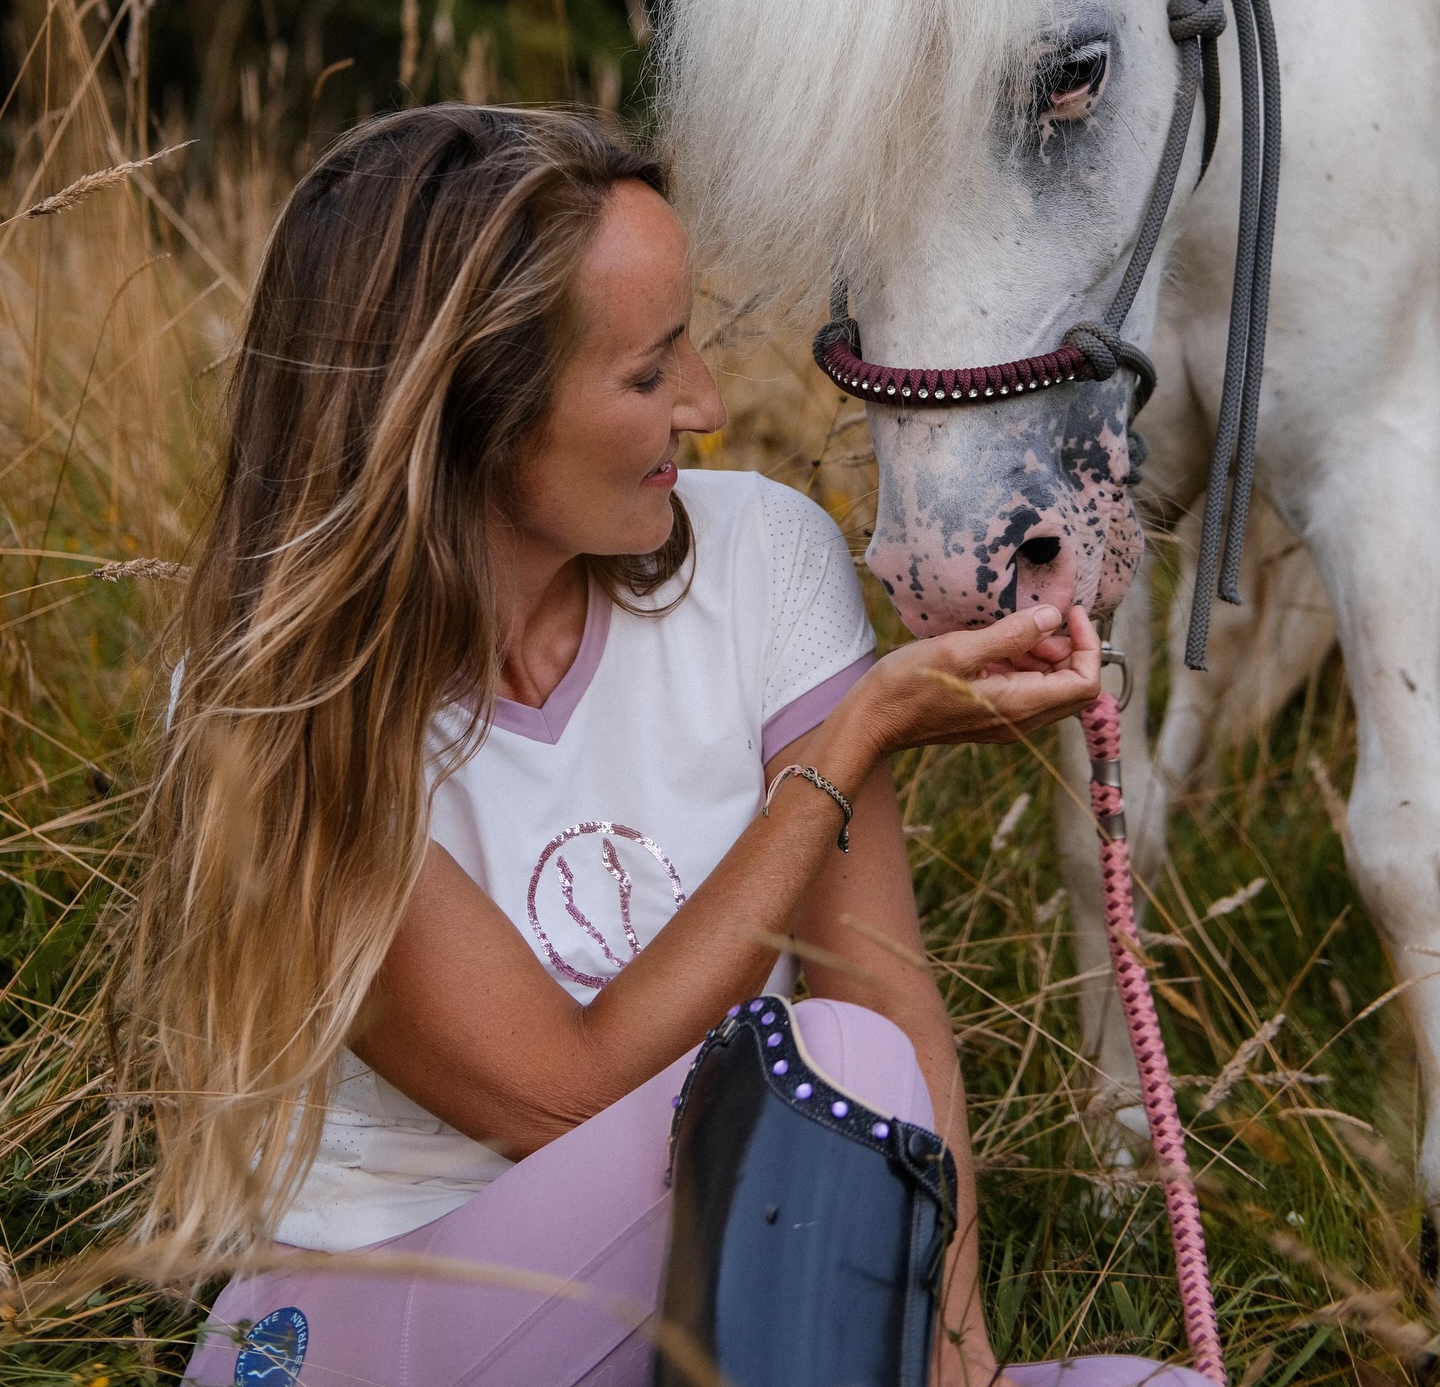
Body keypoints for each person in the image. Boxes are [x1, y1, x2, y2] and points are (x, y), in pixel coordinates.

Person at [113, 105, 1187, 1387]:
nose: (709, 404)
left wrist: (959, 1358)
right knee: (832, 1077)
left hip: (722, 1284)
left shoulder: (759, 555)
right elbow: (562, 1099)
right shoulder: (268, 702)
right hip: (385, 1319)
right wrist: (843, 754)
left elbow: (882, 989)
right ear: (472, 413)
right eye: (647, 370)